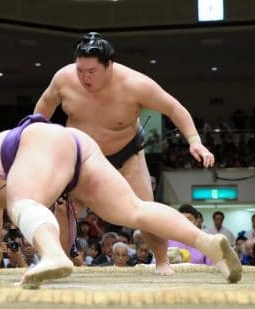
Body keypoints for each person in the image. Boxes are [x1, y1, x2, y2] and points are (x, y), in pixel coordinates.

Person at [0, 114, 240, 288]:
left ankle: (53, 254)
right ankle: (206, 242)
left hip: (37, 142)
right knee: (131, 210)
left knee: (21, 199)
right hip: (73, 144)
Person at [34, 32, 215, 275]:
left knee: (146, 211)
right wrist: (34, 136)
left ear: (109, 65)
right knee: (63, 211)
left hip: (125, 153)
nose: (84, 77)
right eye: (80, 70)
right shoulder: (64, 78)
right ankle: (57, 261)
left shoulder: (135, 84)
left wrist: (194, 140)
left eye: (91, 71)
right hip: (81, 156)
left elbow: (173, 107)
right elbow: (44, 106)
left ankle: (162, 261)